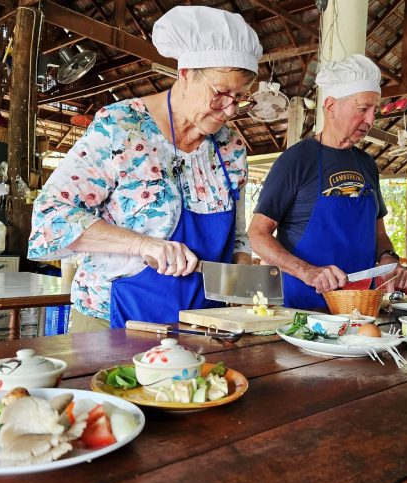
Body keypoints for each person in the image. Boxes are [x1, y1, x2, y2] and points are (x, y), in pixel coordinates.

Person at [28, 6, 263, 331]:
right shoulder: (121, 127)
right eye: (221, 94)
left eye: (240, 98)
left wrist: (243, 276)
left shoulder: (230, 147)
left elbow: (237, 237)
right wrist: (143, 244)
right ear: (186, 74)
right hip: (114, 319)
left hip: (205, 324)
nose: (230, 110)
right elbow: (51, 217)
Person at [248, 54, 407, 311]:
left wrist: (388, 259)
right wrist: (308, 271)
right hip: (302, 309)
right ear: (331, 106)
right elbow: (257, 234)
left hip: (359, 307)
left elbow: (379, 233)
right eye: (363, 109)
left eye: (374, 111)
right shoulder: (296, 160)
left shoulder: (367, 164)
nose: (371, 120)